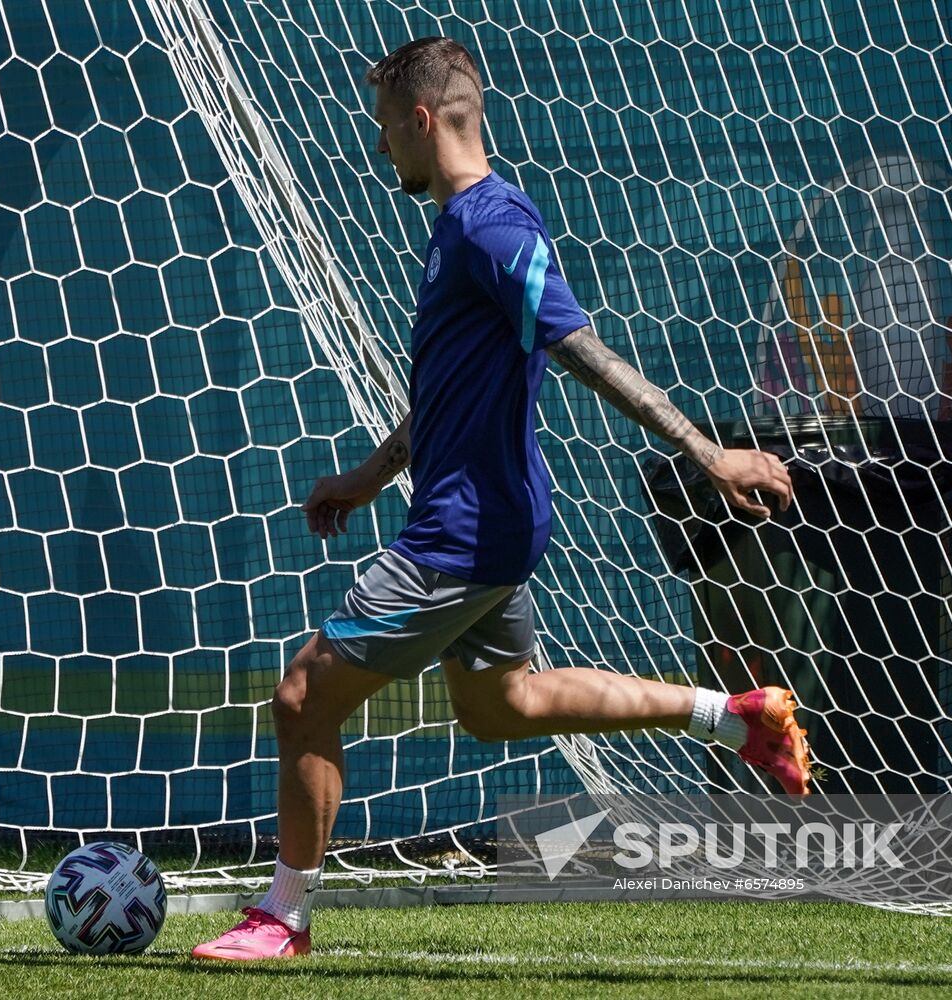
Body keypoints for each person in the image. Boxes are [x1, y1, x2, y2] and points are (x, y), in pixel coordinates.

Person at [192, 37, 805, 962]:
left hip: (467, 531)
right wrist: (367, 476)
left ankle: (284, 917)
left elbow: (578, 347)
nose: (379, 153)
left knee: (301, 697)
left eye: (382, 132)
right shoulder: (459, 227)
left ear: (421, 120)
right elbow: (450, 384)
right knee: (499, 708)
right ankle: (736, 716)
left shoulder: (491, 226)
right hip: (479, 520)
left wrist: (706, 452)